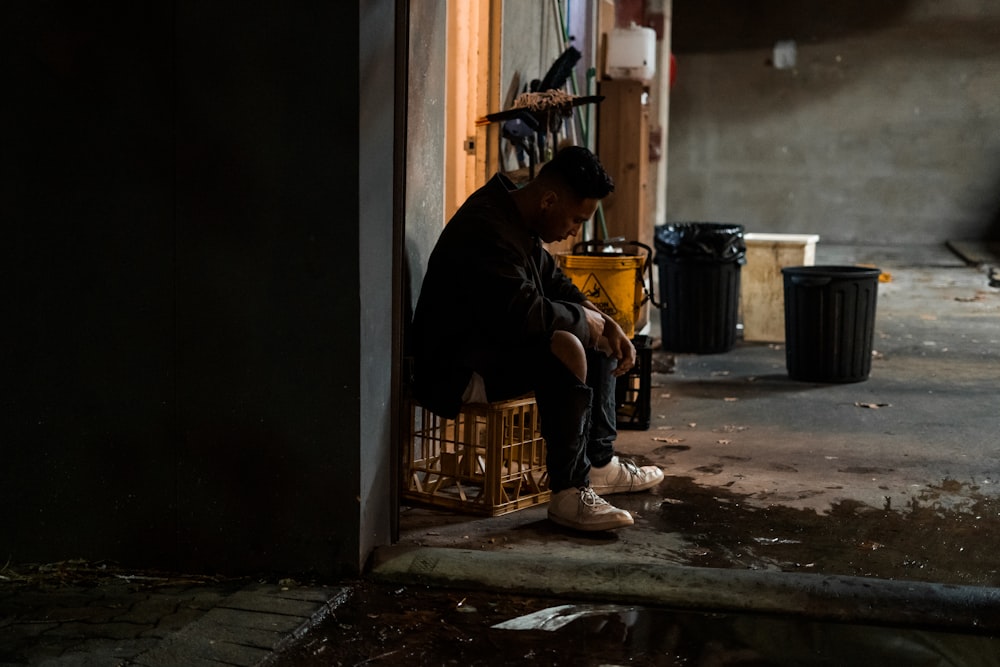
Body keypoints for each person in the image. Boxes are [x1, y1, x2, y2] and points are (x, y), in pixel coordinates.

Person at [410, 146, 663, 531]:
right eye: (576, 220)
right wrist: (585, 322)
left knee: (595, 331)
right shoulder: (487, 229)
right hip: (454, 372)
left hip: (488, 350)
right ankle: (568, 492)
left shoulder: (517, 218)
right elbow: (526, 316)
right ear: (549, 199)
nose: (574, 231)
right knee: (567, 344)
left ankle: (599, 465)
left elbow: (553, 282)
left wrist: (603, 320)